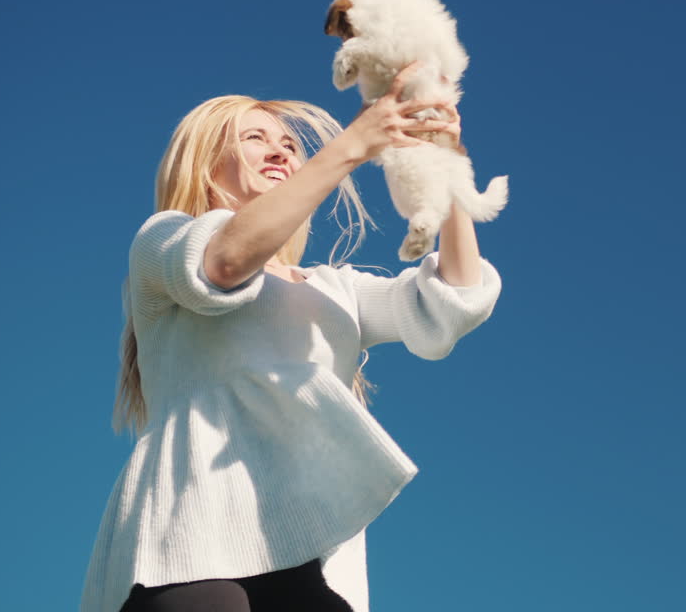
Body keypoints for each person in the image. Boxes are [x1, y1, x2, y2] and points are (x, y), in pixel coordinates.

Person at [79, 63, 503, 612]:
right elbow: (224, 264)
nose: (279, 151)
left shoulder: (336, 290)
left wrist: (446, 168)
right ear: (205, 162)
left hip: (307, 562)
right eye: (255, 138)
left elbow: (453, 301)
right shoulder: (163, 243)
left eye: (289, 145)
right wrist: (353, 144)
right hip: (191, 542)